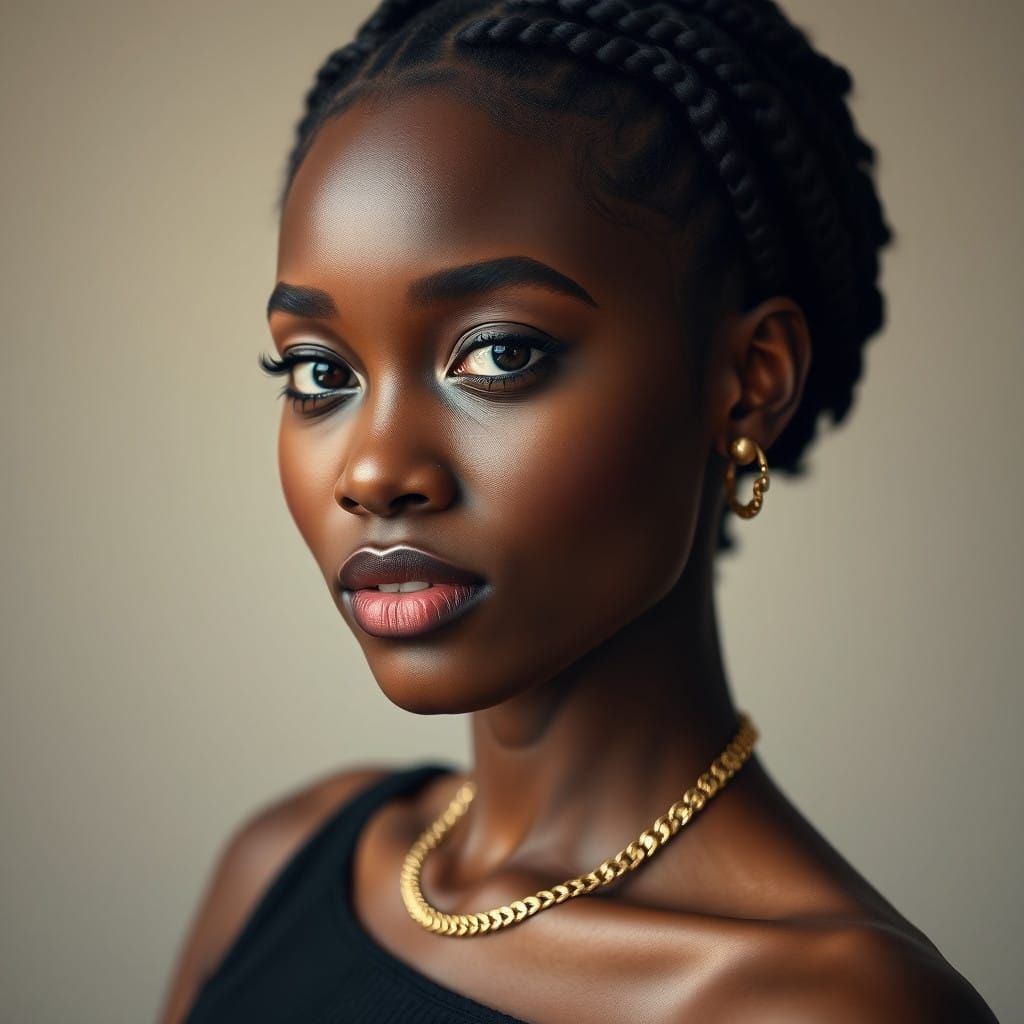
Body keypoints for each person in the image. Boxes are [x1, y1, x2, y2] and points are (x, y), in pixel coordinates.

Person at [159, 0, 999, 1020]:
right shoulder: (284, 859)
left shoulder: (830, 1005)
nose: (374, 471)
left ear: (748, 382)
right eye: (318, 370)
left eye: (500, 355)